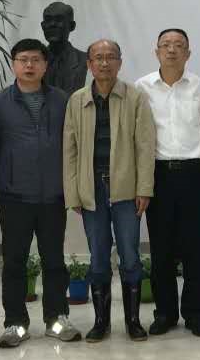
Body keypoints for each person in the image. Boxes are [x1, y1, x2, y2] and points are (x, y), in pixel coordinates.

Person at [0, 39, 80, 347]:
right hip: (15, 196)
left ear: (45, 65)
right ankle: (15, 323)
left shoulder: (62, 101)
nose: (29, 65)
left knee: (54, 261)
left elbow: (72, 146)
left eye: (36, 60)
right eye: (23, 59)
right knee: (14, 262)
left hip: (53, 196)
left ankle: (57, 318)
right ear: (13, 64)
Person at [63, 39, 156, 342]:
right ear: (89, 64)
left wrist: (144, 188)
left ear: (119, 62)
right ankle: (101, 321)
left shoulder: (135, 97)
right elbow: (70, 150)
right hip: (91, 189)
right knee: (98, 256)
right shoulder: (77, 100)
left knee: (130, 255)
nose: (104, 63)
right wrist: (73, 192)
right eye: (98, 58)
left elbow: (145, 146)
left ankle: (133, 321)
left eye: (110, 57)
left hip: (126, 190)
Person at [137, 29, 200, 337]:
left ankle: (197, 314)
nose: (172, 50)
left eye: (178, 45)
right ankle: (165, 313)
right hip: (158, 173)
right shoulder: (142, 87)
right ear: (156, 51)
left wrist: (192, 157)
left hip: (193, 172)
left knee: (196, 246)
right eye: (166, 45)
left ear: (188, 53)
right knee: (161, 248)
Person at [41, 1, 89, 94]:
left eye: (59, 20)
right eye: (48, 20)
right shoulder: (33, 62)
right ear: (43, 26)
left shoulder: (85, 60)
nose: (52, 24)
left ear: (72, 26)